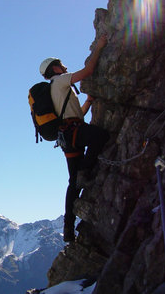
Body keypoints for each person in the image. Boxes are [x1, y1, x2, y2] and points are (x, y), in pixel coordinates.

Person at [39, 35, 110, 242]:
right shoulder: (60, 81)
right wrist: (99, 47)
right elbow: (87, 72)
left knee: (73, 183)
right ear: (54, 69)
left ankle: (68, 229)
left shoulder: (55, 87)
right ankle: (85, 170)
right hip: (74, 132)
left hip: (68, 136)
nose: (65, 66)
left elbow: (77, 113)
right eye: (61, 65)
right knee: (101, 136)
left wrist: (88, 102)